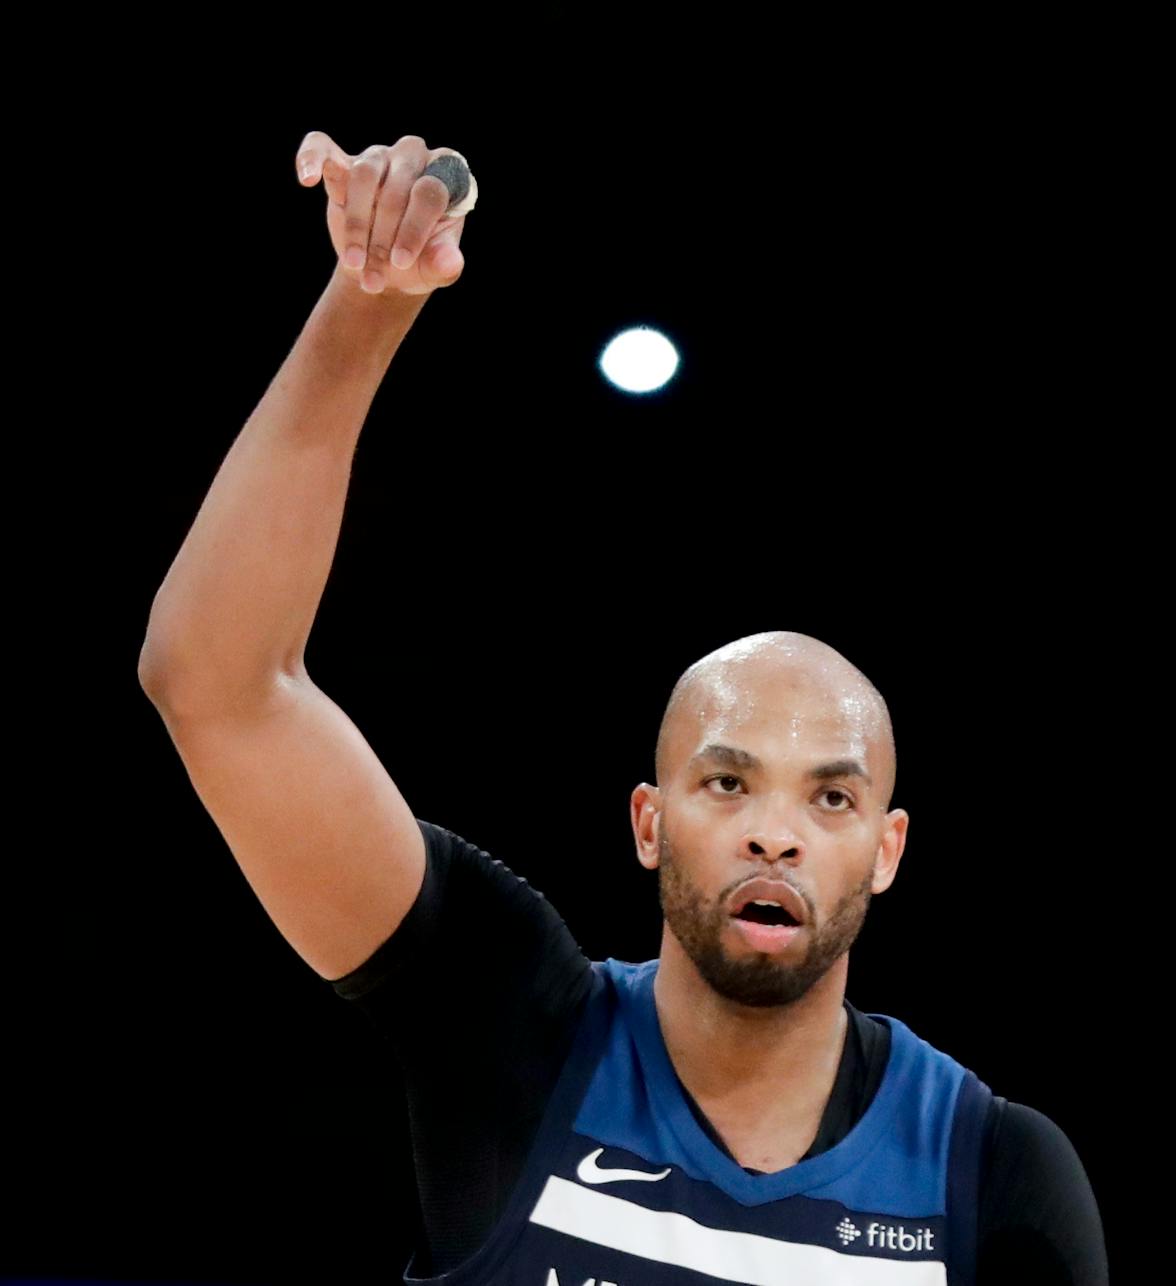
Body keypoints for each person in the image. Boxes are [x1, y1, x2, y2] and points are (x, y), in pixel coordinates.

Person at [136, 130, 1108, 1285]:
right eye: (728, 780)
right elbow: (219, 684)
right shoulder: (515, 1026)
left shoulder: (992, 1172)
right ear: (649, 820)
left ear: (887, 848)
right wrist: (369, 302)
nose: (775, 831)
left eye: (832, 795)